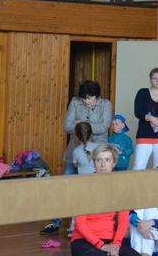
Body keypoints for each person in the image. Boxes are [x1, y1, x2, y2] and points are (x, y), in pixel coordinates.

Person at [42, 80, 112, 235]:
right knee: (65, 188)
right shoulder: (75, 102)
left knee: (94, 192)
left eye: (90, 98)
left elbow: (104, 126)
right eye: (84, 98)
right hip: (75, 151)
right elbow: (67, 126)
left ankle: (90, 226)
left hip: (97, 155)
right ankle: (55, 222)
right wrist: (89, 125)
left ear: (97, 97)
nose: (86, 101)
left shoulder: (106, 104)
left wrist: (82, 123)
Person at [70, 144, 141, 256]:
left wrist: (116, 244)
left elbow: (123, 221)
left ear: (114, 163)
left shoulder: (121, 188)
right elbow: (79, 223)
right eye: (99, 160)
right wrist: (100, 245)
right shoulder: (84, 187)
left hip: (110, 240)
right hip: (83, 240)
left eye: (107, 160)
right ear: (94, 163)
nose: (103, 165)